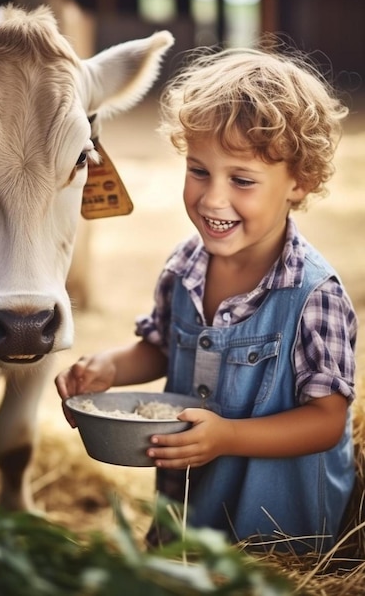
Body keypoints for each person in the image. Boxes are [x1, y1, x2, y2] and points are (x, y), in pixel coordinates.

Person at [55, 45, 357, 554]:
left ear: (299, 183)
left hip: (277, 532)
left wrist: (229, 438)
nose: (213, 198)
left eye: (241, 180)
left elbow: (327, 421)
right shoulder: (184, 267)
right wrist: (108, 368)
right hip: (191, 509)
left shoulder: (313, 297)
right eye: (199, 170)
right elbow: (164, 346)